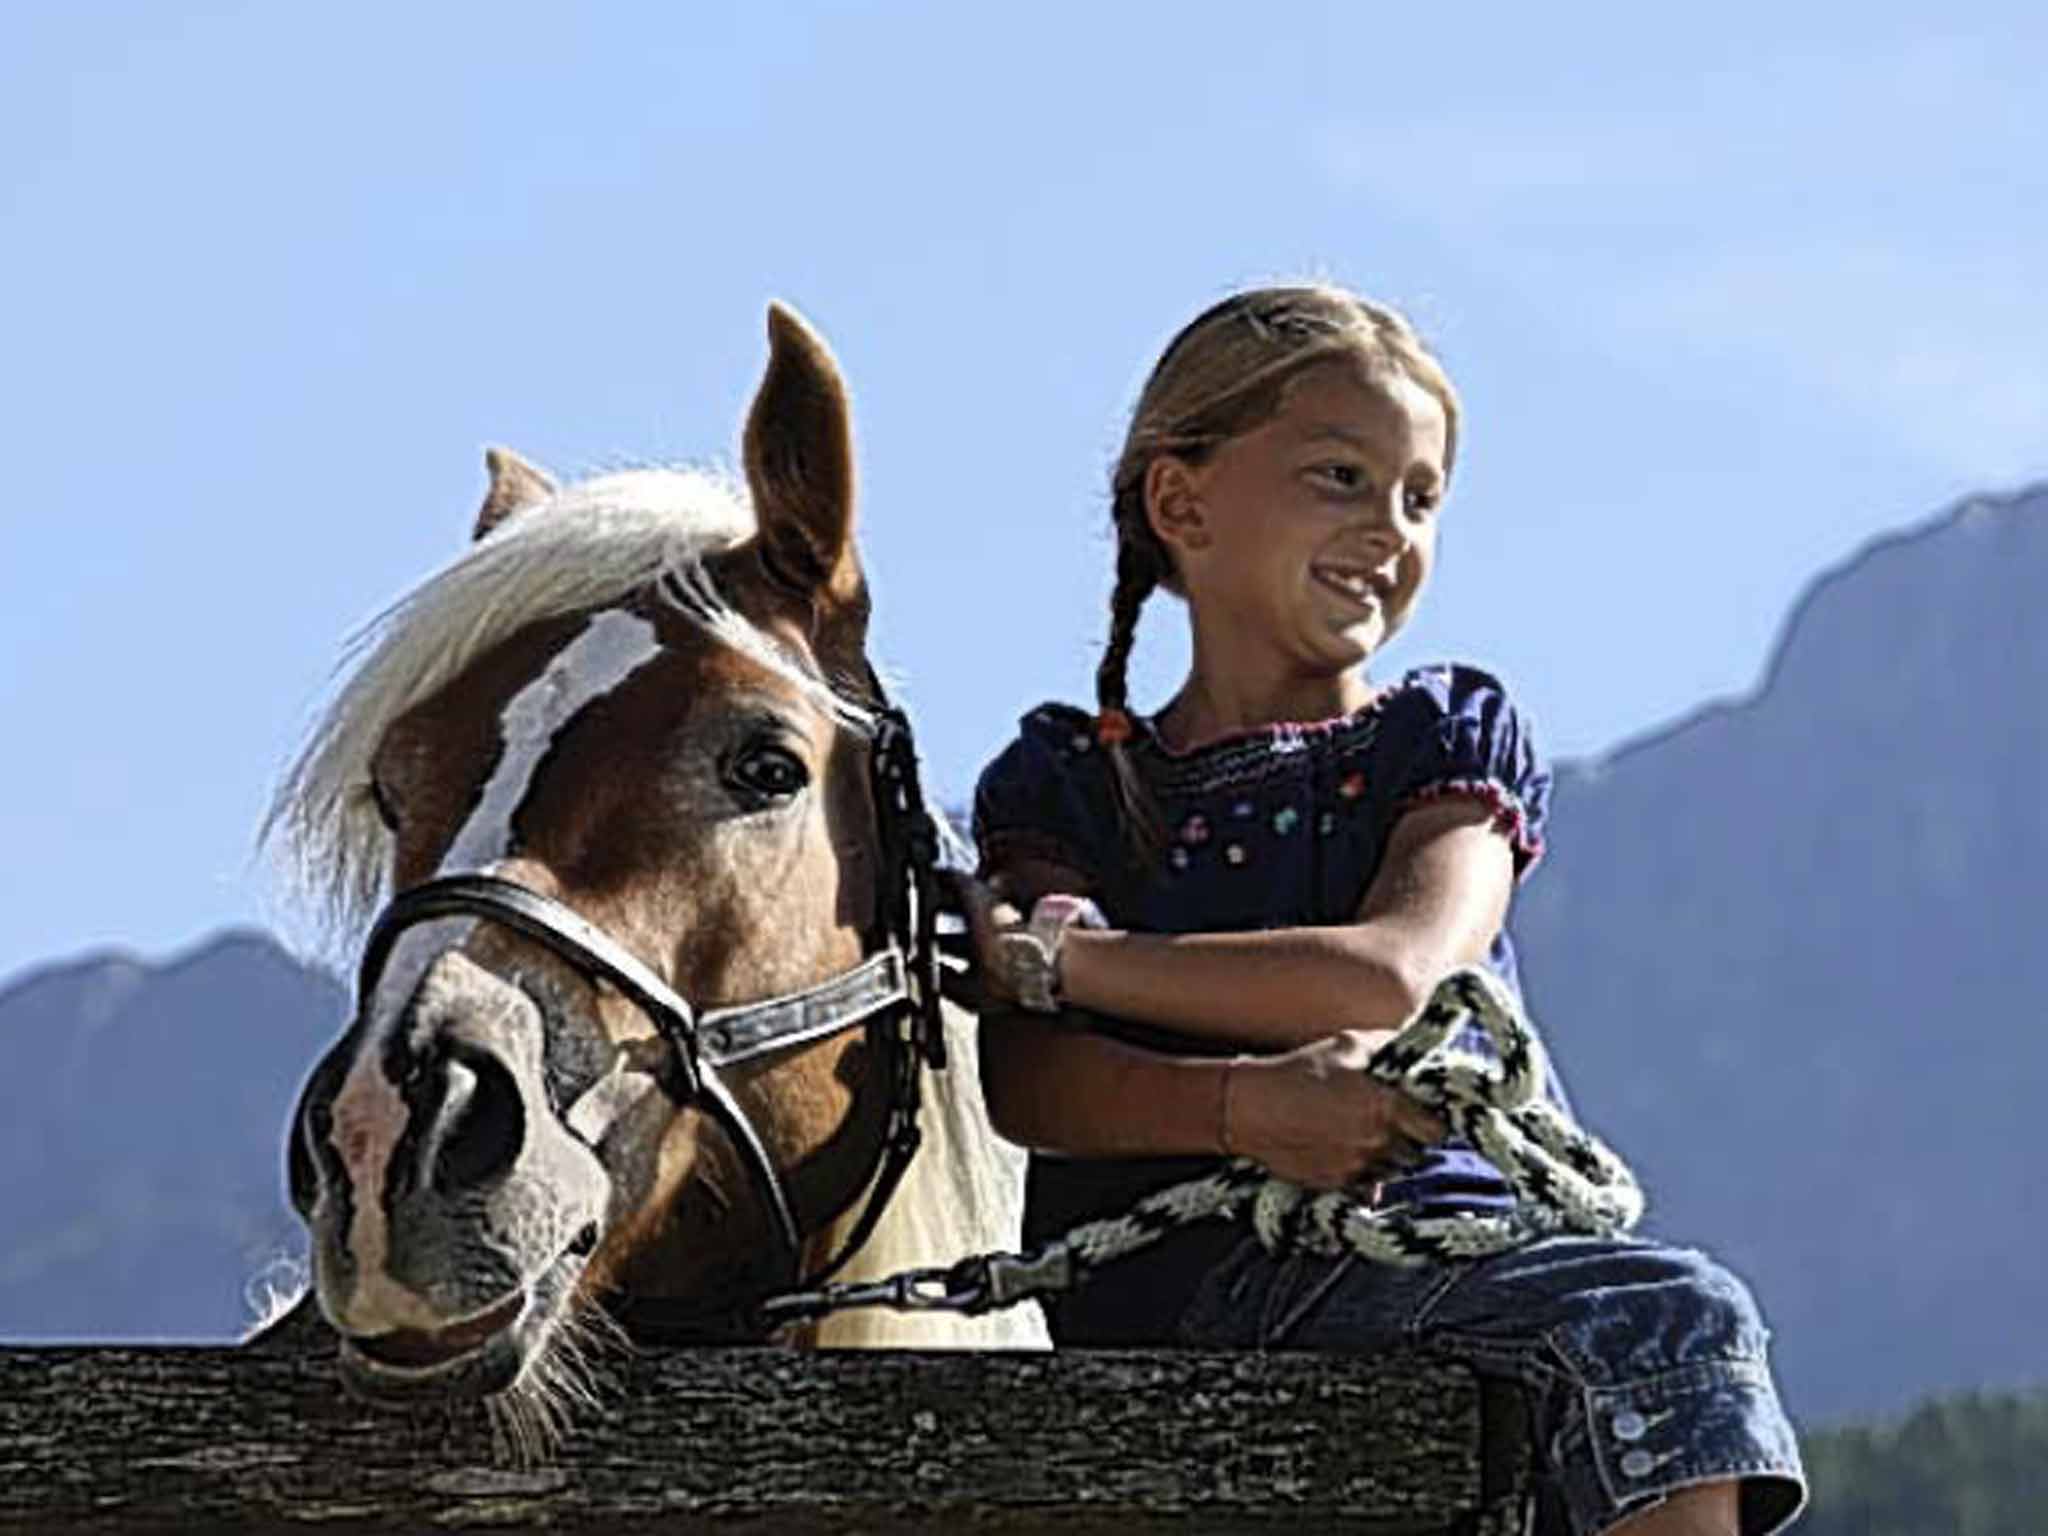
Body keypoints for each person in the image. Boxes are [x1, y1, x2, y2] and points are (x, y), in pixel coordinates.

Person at [957, 285, 1806, 1536]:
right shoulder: (1067, 788)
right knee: (1661, 1319)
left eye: (1420, 498)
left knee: (1659, 1321)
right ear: (1179, 503)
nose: (1387, 529)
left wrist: (1069, 968)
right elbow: (1030, 1086)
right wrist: (1244, 1110)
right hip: (1187, 1278)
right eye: (1339, 477)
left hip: (1452, 1251)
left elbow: (1389, 977)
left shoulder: (1438, 741)